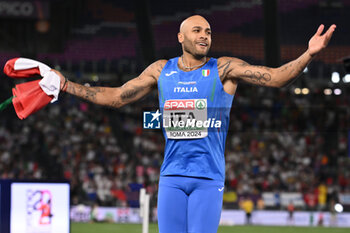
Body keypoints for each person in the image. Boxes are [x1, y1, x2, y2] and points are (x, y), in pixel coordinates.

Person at [53, 15, 336, 233]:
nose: (204, 36)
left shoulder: (223, 69)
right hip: (171, 179)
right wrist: (65, 85)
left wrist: (309, 53)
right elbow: (115, 97)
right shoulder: (161, 70)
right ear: (180, 37)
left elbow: (276, 77)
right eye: (197, 31)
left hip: (207, 179)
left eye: (208, 32)